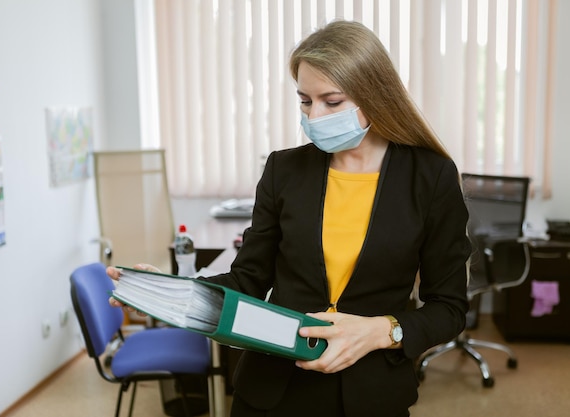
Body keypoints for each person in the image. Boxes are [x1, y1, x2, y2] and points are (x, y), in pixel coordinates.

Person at [108, 20, 471, 417]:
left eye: (331, 102)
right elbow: (248, 278)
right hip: (273, 390)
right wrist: (170, 294)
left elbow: (448, 308)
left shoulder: (430, 177)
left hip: (371, 394)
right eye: (305, 101)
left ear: (375, 95)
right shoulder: (284, 170)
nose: (314, 116)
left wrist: (382, 331)